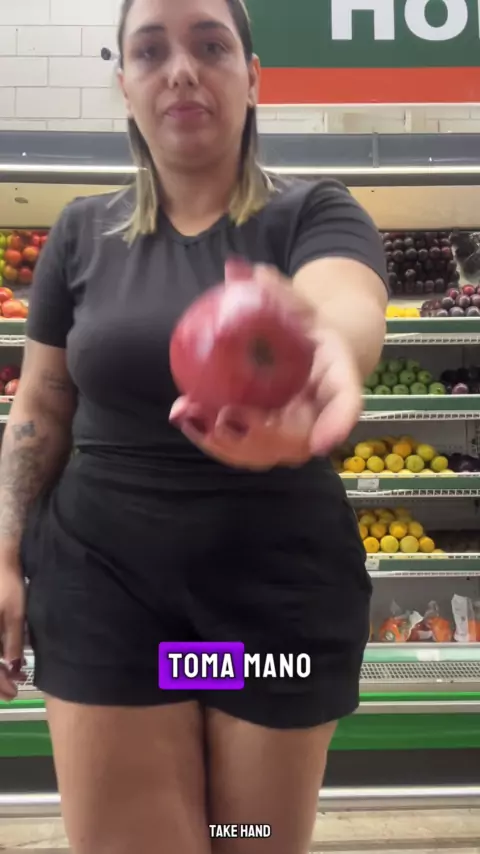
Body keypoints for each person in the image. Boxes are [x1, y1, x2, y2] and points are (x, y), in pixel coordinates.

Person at [0, 0, 388, 852]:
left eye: (211, 44)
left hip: (271, 599)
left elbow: (344, 303)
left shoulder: (315, 211)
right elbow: (41, 406)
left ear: (253, 77)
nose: (181, 70)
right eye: (150, 51)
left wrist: (320, 348)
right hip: (104, 591)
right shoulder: (80, 233)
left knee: (246, 837)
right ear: (125, 84)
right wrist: (3, 555)